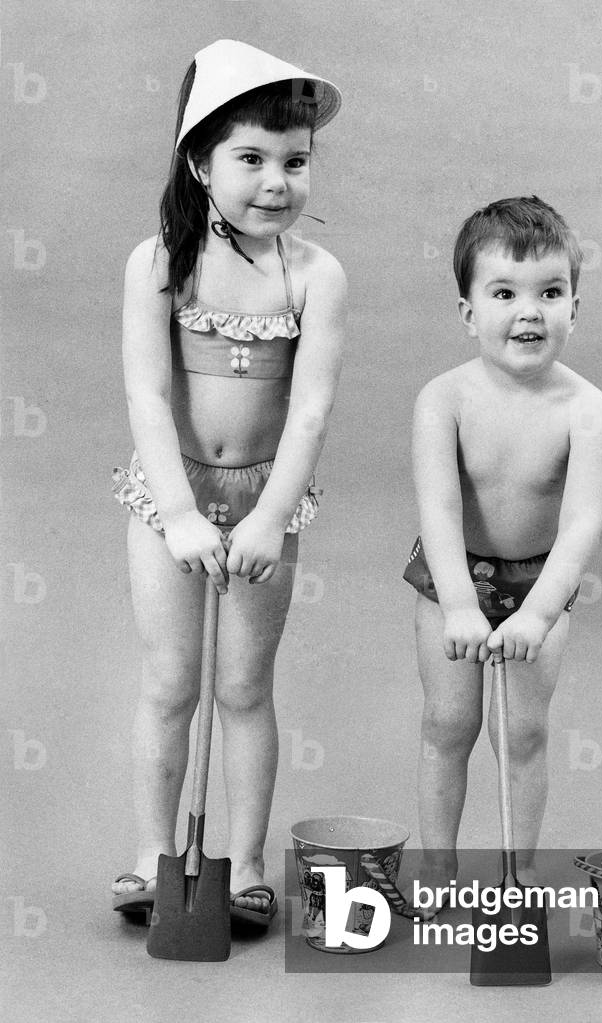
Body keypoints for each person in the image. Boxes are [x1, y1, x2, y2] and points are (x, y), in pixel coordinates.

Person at [110, 40, 345, 927]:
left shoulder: (316, 276)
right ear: (200, 159)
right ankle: (153, 852)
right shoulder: (159, 261)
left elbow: (311, 411)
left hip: (263, 501)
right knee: (171, 681)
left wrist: (269, 517)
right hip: (166, 495)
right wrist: (175, 512)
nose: (276, 181)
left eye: (295, 160)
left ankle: (244, 860)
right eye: (251, 157)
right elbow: (147, 390)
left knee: (244, 687)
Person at [403, 196, 602, 898]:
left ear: (574, 308)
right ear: (468, 312)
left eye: (549, 293)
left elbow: (581, 524)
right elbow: (435, 508)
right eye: (504, 293)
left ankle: (517, 875)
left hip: (539, 581)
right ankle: (438, 871)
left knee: (521, 733)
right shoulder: (443, 399)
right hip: (450, 575)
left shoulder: (587, 411)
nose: (529, 312)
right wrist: (461, 603)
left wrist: (537, 614)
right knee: (448, 721)